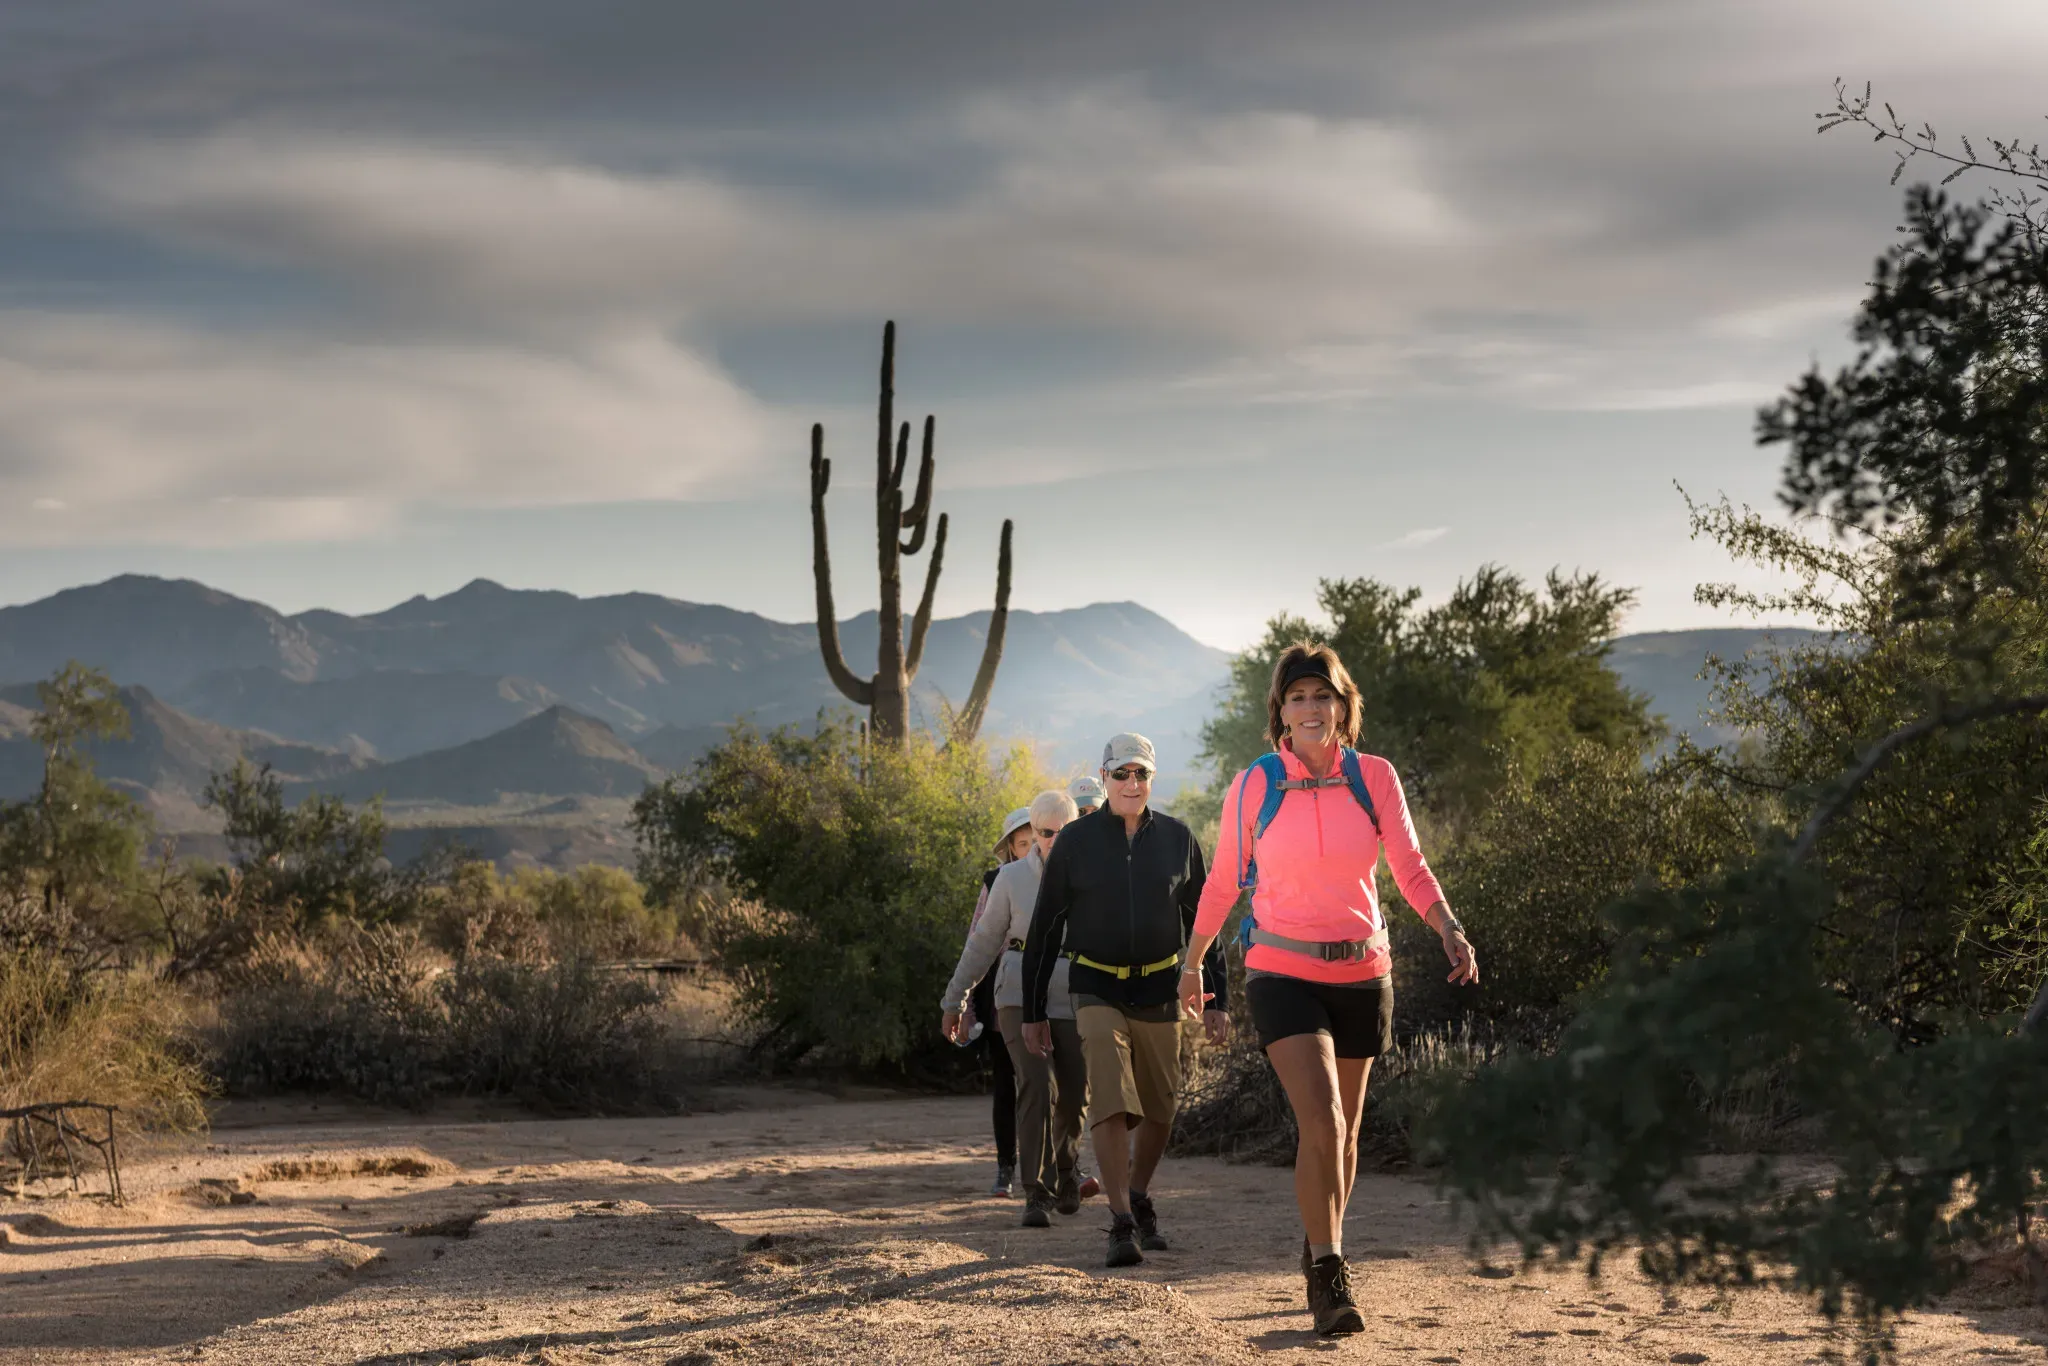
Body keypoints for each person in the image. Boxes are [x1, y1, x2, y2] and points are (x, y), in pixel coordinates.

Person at [1181, 642, 1477, 1336]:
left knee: (1343, 1142)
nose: (1311, 709)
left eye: (1323, 697)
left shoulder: (1373, 777)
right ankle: (1330, 1271)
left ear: (1344, 707)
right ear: (1280, 714)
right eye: (1297, 698)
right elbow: (1224, 880)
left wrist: (1449, 927)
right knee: (1325, 1123)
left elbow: (1408, 865)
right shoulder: (1255, 784)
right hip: (1282, 972)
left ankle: (1319, 1240)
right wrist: (1193, 963)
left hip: (1363, 972)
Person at [1022, 732, 1230, 1267]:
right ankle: (1118, 1222)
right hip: (1094, 985)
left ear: (1152, 779)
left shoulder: (1180, 840)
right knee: (1111, 1096)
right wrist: (1034, 1010)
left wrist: (1217, 997)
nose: (1131, 783)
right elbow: (1045, 928)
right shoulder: (1074, 842)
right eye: (1121, 774)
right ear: (1106, 777)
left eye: (1141, 774)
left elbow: (1205, 923)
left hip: (1160, 987)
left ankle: (1137, 1195)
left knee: (1161, 1106)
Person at [941, 791, 1089, 1226]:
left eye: (1064, 833)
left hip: (1073, 989)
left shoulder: (1093, 877)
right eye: (1045, 833)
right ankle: (1035, 1191)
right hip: (1016, 990)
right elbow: (982, 943)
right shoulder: (1008, 879)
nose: (1054, 842)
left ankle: (1066, 1171)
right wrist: (956, 999)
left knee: (1076, 1090)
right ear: (1033, 833)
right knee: (1036, 1083)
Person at [960, 807, 1031, 1196]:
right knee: (1006, 1085)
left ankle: (1062, 1164)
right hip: (1001, 996)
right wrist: (965, 1004)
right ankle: (1006, 1168)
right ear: (1010, 850)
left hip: (1048, 993)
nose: (1031, 848)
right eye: (1023, 843)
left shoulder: (1059, 879)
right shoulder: (995, 882)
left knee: (1050, 1086)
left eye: (1036, 840)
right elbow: (978, 942)